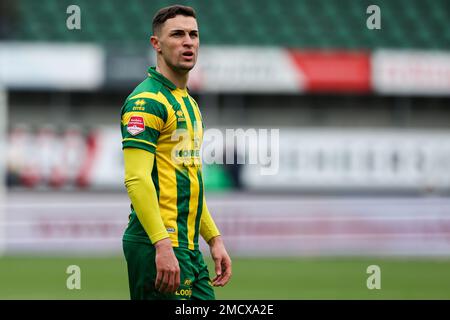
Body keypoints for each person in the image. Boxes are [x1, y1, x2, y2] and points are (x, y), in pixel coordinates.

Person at [120, 5, 232, 300]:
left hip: (189, 249)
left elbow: (190, 182)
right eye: (178, 34)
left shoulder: (189, 104)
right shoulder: (146, 101)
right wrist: (162, 245)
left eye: (194, 35)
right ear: (156, 44)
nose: (188, 42)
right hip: (157, 245)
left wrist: (214, 238)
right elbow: (136, 179)